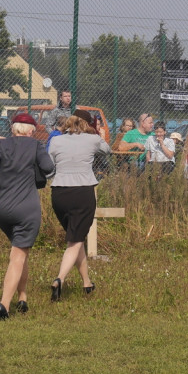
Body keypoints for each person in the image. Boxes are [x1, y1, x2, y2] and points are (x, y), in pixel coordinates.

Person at [0, 112, 55, 320]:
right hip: (26, 209)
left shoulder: (1, 145)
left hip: (2, 209)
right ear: (31, 131)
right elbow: (48, 167)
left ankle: (23, 297)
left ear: (13, 129)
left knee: (21, 252)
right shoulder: (36, 146)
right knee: (17, 256)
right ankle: (4, 305)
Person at [48, 112, 112, 302]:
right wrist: (100, 133)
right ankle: (59, 279)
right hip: (82, 192)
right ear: (89, 124)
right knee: (74, 241)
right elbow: (108, 150)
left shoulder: (56, 141)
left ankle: (86, 283)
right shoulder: (92, 139)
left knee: (76, 237)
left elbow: (49, 166)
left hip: (59, 193)